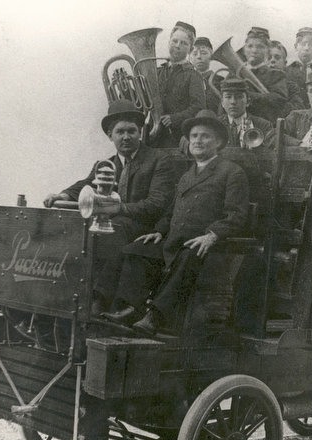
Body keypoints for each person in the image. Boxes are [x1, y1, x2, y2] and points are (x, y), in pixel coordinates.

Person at [102, 110, 249, 335]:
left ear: (218, 142)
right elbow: (172, 210)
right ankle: (130, 308)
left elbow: (236, 215)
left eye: (205, 136)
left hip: (204, 243)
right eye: (194, 136)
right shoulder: (187, 174)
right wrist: (159, 231)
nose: (198, 141)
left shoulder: (231, 172)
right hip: (175, 239)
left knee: (190, 254)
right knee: (138, 248)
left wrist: (212, 235)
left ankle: (156, 316)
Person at [43, 100, 177, 312]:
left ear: (140, 132)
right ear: (110, 135)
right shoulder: (106, 165)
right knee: (79, 230)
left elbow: (157, 204)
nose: (126, 137)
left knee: (111, 229)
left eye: (132, 131)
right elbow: (85, 185)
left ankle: (99, 300)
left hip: (146, 227)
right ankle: (70, 294)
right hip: (117, 225)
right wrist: (63, 194)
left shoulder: (159, 160)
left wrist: (118, 208)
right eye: (120, 131)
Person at [155, 21, 206, 147]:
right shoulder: (157, 71)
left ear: (190, 49)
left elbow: (199, 107)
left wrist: (174, 119)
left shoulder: (193, 75)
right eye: (175, 41)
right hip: (154, 139)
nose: (178, 46)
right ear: (169, 42)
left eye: (184, 43)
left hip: (178, 139)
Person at [242, 27, 289, 124]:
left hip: (264, 125)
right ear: (244, 50)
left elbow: (279, 100)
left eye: (260, 47)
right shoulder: (234, 74)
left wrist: (247, 96)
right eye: (250, 46)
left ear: (267, 51)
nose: (254, 50)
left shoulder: (276, 75)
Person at [217, 77, 275, 148]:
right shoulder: (216, 124)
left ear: (248, 102)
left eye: (239, 97)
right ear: (222, 102)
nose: (233, 102)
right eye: (228, 97)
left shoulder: (263, 125)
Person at [285, 27, 312, 109]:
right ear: (296, 46)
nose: (306, 48)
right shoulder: (285, 71)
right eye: (303, 44)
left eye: (311, 44)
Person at [268, 40, 305, 117]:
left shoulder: (291, 87)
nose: (272, 60)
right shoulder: (254, 84)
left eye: (277, 58)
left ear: (285, 64)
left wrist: (276, 102)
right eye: (268, 58)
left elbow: (298, 110)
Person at [190, 36, 222, 114]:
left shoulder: (220, 81)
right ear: (190, 58)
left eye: (204, 53)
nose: (199, 57)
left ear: (211, 55)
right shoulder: (186, 80)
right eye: (194, 54)